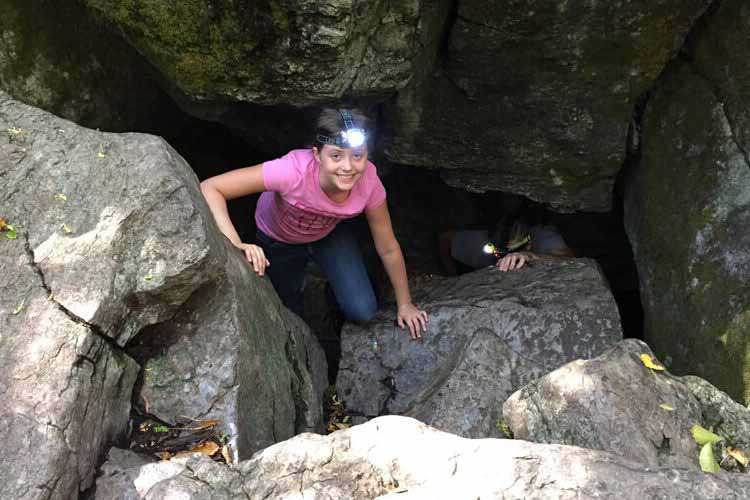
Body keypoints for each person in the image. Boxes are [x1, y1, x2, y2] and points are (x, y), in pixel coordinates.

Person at [200, 108, 428, 338]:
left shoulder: (369, 181)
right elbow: (212, 187)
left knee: (363, 311)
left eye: (358, 155)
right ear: (317, 155)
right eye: (336, 155)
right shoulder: (291, 171)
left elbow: (388, 246)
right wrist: (235, 243)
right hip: (279, 238)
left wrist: (405, 303)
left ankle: (333, 298)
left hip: (329, 234)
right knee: (286, 308)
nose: (348, 167)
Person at [439, 212, 574, 275]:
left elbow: (567, 258)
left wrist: (528, 255)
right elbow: (445, 238)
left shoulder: (542, 234)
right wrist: (450, 275)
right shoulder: (492, 240)